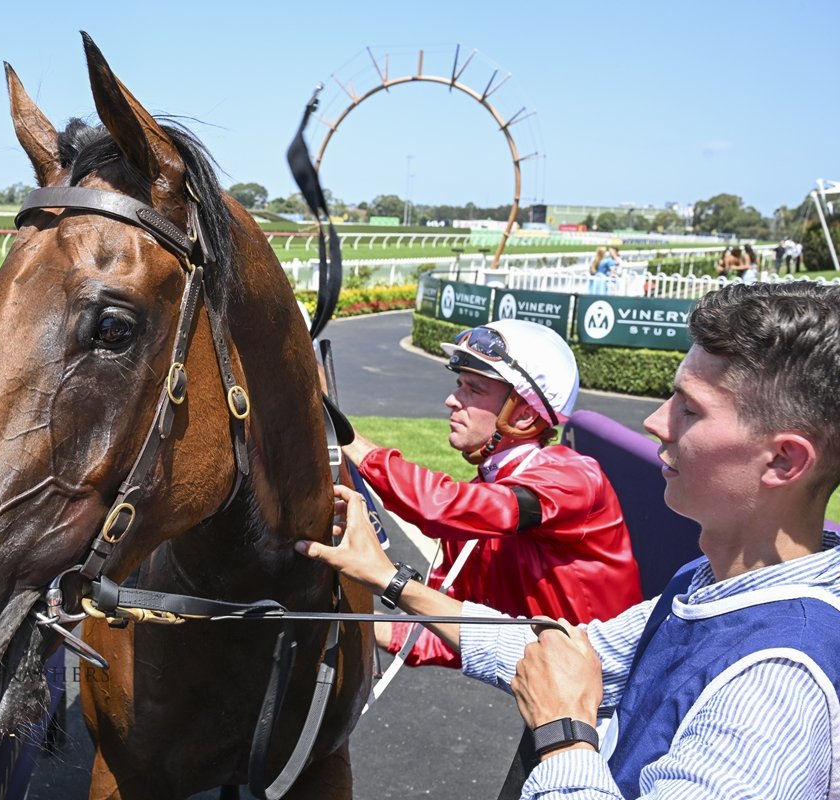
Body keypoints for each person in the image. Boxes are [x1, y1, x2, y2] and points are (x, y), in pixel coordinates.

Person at [300, 281, 840, 799]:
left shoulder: (779, 680)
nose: (655, 422)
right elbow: (558, 651)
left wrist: (563, 733)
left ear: (784, 460)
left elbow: (450, 509)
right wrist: (389, 581)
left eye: (689, 409)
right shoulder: (702, 583)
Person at [343, 318, 642, 668]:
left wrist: (347, 438)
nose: (452, 400)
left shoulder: (572, 479)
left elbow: (438, 506)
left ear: (524, 415)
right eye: (459, 384)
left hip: (618, 693)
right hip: (557, 688)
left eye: (474, 389)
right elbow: (453, 631)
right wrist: (347, 619)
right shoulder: (481, 500)